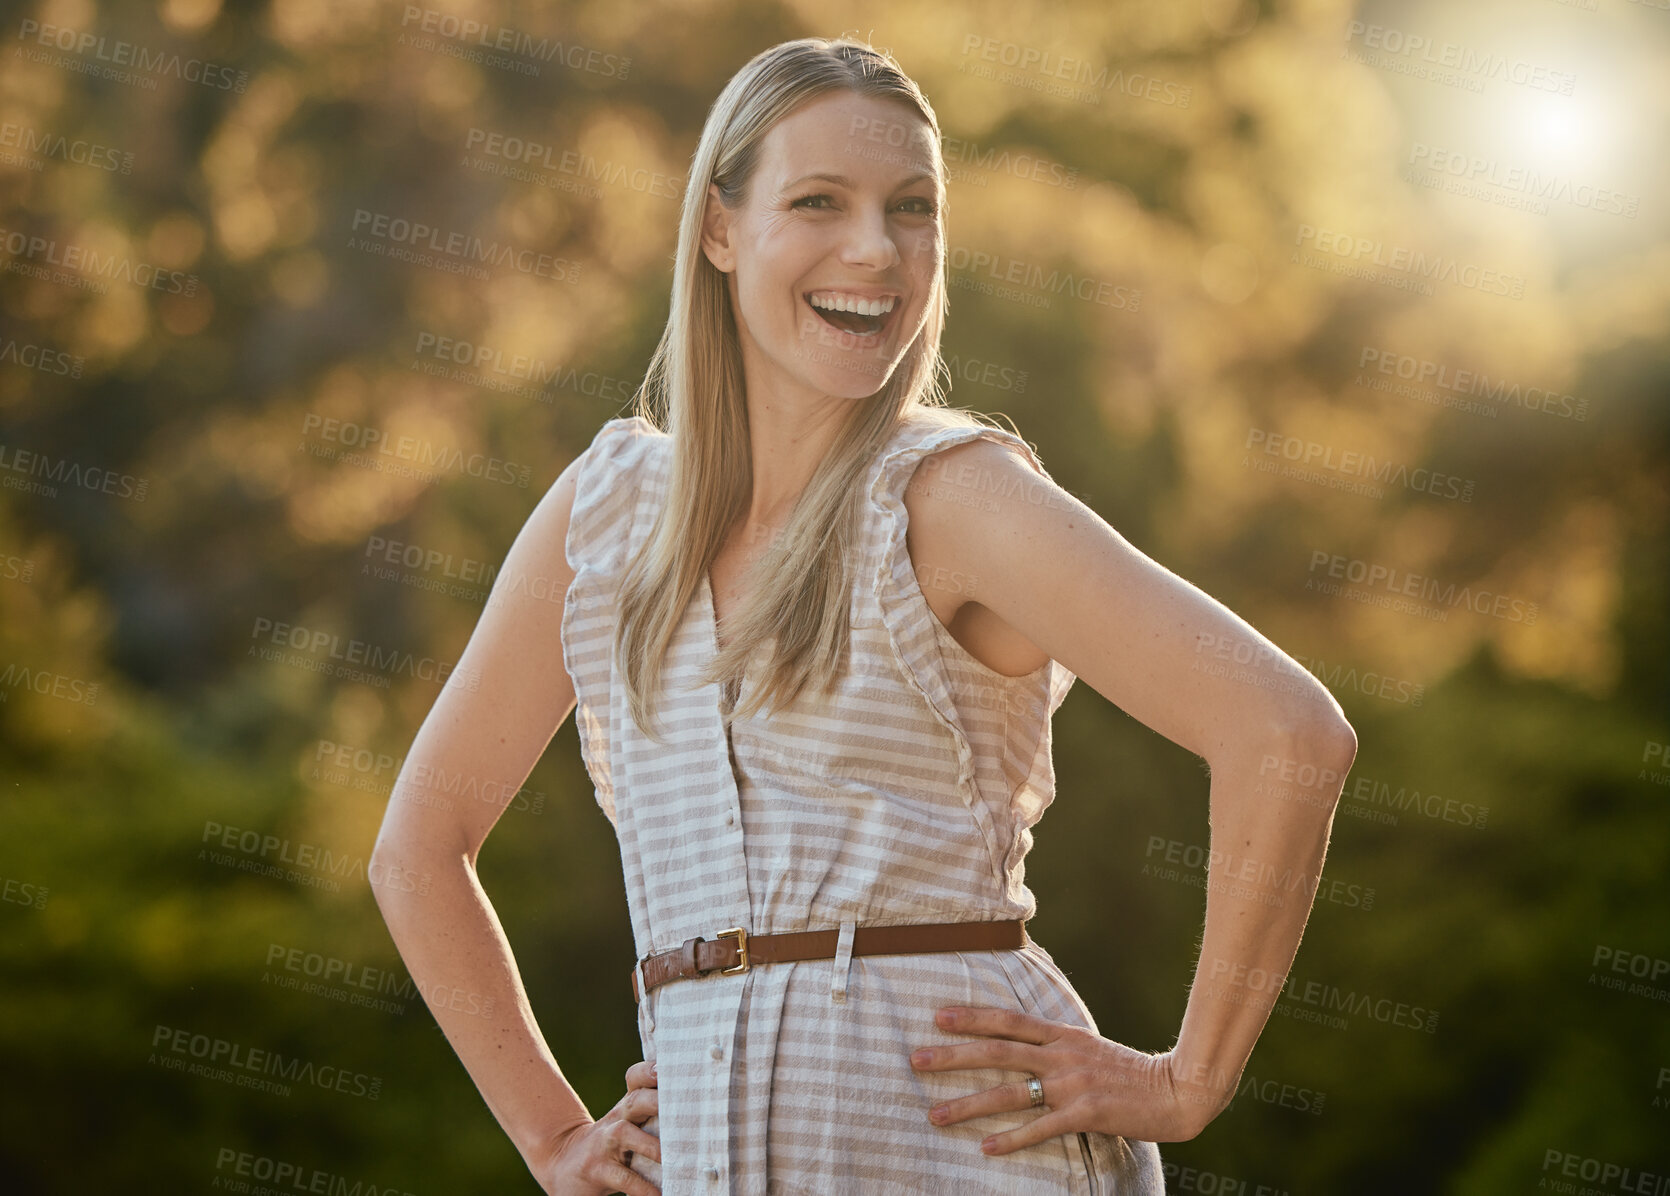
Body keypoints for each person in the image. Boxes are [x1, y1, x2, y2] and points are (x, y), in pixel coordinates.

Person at [370, 35, 1357, 1196]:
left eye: (912, 208)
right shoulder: (603, 515)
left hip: (972, 1156)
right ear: (719, 227)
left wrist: (1186, 1079)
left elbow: (1287, 733)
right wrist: (551, 1136)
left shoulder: (956, 497)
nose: (875, 250)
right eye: (818, 201)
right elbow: (418, 849)